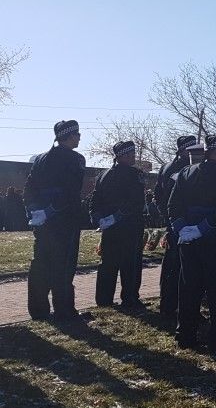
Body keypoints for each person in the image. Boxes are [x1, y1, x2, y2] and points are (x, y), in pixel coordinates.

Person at [168, 133, 216, 352]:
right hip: (215, 239)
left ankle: (185, 334)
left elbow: (172, 206)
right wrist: (203, 228)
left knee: (188, 288)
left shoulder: (185, 173)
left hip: (187, 240)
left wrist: (183, 229)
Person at [23, 120, 86, 322]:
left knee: (41, 264)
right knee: (64, 266)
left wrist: (36, 211)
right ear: (68, 136)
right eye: (76, 134)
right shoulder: (75, 159)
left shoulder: (41, 159)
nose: (79, 137)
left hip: (42, 223)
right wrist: (51, 210)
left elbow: (29, 190)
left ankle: (38, 309)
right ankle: (64, 310)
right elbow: (71, 192)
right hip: (64, 220)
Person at [90, 141, 146, 309]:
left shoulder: (103, 175)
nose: (133, 157)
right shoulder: (135, 174)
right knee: (131, 263)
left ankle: (104, 299)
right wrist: (119, 216)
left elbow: (94, 200)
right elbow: (137, 201)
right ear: (125, 155)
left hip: (109, 226)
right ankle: (130, 298)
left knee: (108, 263)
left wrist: (99, 218)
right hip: (129, 225)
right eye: (132, 154)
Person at [154, 135, 198, 319]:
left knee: (171, 266)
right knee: (178, 267)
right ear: (184, 150)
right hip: (181, 223)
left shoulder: (165, 166)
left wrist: (166, 217)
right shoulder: (182, 169)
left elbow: (157, 196)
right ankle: (173, 306)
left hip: (173, 221)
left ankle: (168, 304)